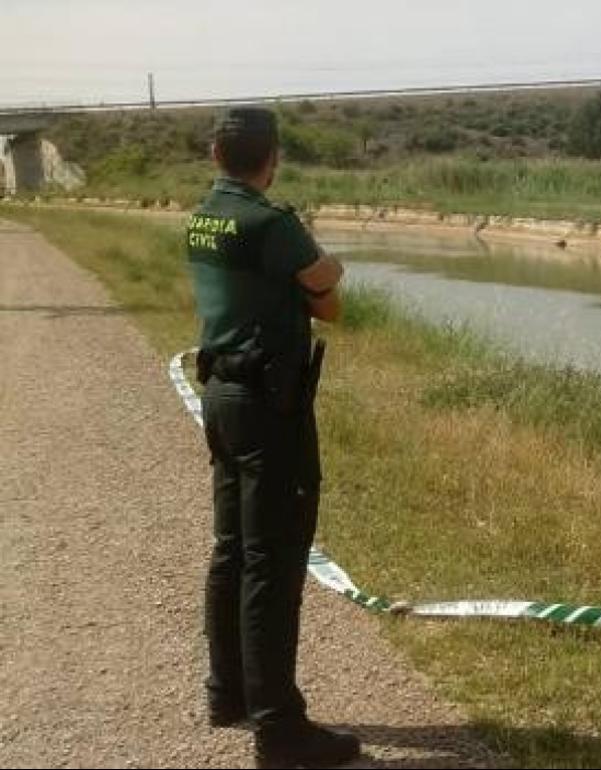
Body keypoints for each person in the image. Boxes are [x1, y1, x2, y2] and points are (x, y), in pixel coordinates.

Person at [186, 106, 358, 769]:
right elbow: (325, 284)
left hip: (222, 396)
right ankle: (280, 729)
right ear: (273, 158)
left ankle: (227, 692)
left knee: (232, 549)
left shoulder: (203, 216)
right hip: (269, 405)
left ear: (215, 156)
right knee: (275, 559)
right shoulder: (272, 222)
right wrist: (319, 263)